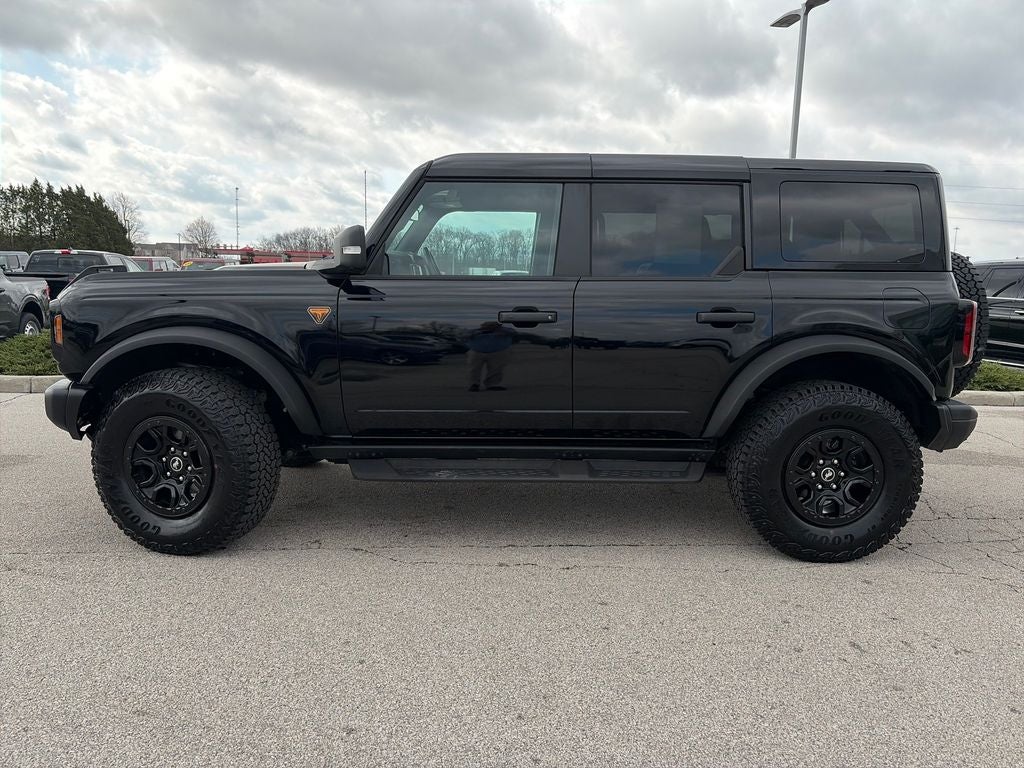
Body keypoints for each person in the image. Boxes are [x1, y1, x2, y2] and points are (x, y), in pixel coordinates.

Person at [465, 321, 515, 391]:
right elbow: (465, 335)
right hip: (476, 352)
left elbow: (512, 332)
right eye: (488, 326)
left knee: (496, 369)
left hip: (498, 352)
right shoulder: (474, 331)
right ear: (482, 326)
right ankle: (474, 384)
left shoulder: (505, 330)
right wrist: (478, 333)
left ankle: (493, 384)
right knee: (474, 369)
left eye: (492, 326)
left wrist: (500, 331)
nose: (490, 327)